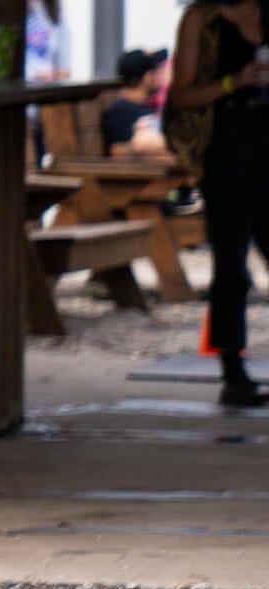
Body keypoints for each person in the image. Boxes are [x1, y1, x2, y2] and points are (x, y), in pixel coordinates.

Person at [163, 0, 269, 407]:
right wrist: (233, 82)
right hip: (227, 148)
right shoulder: (202, 20)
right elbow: (182, 96)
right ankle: (233, 370)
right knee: (231, 262)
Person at [103, 49, 174, 158]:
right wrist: (138, 146)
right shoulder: (120, 111)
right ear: (147, 77)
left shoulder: (147, 108)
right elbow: (117, 151)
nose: (161, 76)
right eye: (157, 71)